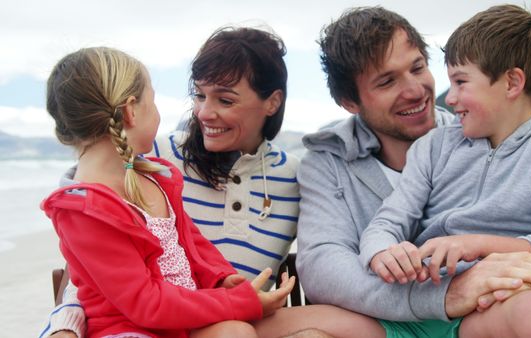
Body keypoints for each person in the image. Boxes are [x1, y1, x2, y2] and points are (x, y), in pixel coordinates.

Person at [42, 28, 384, 338]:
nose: (204, 113)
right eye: (199, 96)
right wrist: (64, 328)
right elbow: (91, 269)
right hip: (167, 320)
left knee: (355, 328)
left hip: (230, 317)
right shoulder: (148, 158)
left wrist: (224, 280)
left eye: (225, 99)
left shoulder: (296, 176)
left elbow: (193, 245)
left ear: (272, 102)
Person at [296, 5, 531, 338]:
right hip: (403, 315)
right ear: (349, 102)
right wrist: (444, 293)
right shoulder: (331, 164)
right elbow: (324, 266)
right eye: (386, 81)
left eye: (418, 68)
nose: (416, 91)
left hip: (488, 313)